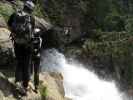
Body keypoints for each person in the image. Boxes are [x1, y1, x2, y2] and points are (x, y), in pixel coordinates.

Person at [8, 0, 35, 95]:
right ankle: (24, 87)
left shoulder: (15, 14)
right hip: (27, 45)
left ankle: (17, 80)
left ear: (24, 6)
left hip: (17, 43)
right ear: (31, 9)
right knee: (26, 65)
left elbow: (9, 24)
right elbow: (32, 32)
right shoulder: (31, 18)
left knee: (19, 61)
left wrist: (15, 34)